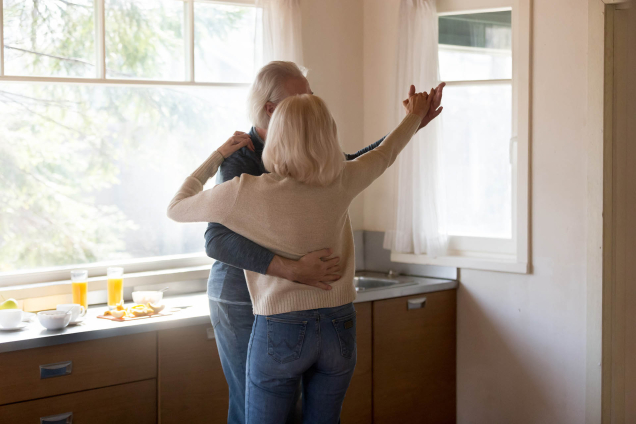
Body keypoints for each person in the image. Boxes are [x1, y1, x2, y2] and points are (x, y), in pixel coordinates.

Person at [168, 86, 437, 423]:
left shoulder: (247, 191)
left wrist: (217, 156)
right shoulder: (343, 179)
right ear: (330, 134)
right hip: (339, 326)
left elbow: (176, 208)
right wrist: (413, 116)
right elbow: (386, 152)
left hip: (281, 327)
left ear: (276, 136)